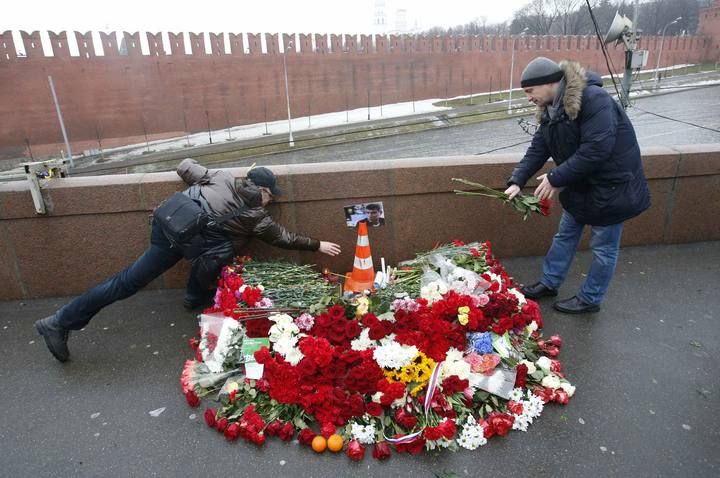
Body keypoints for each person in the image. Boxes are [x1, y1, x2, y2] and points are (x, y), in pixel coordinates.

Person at [35, 159, 342, 362]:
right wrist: (318, 245)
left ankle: (194, 296)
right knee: (128, 281)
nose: (272, 200)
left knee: (215, 249)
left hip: (166, 221)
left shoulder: (222, 176)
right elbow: (284, 239)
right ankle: (58, 322)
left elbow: (184, 166)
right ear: (262, 191)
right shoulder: (255, 216)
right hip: (179, 240)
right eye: (271, 195)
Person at [504, 57, 650, 314]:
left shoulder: (594, 99)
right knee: (565, 235)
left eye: (530, 91)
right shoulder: (551, 109)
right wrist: (517, 180)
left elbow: (596, 150)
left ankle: (590, 299)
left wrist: (554, 178)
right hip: (580, 184)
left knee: (604, 248)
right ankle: (549, 283)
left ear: (550, 83)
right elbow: (539, 148)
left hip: (611, 187)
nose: (528, 97)